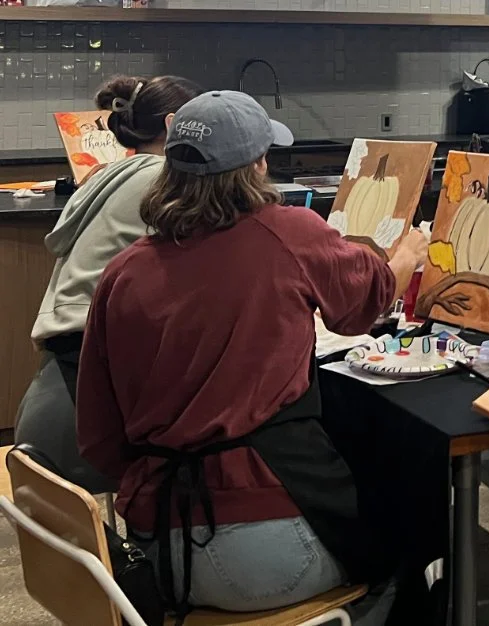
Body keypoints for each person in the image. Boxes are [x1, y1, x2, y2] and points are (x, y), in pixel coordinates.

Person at [76, 91, 428, 623]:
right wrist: (403, 258)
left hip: (153, 556)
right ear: (256, 166)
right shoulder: (286, 231)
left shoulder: (123, 272)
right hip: (266, 547)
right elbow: (362, 306)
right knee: (413, 547)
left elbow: (100, 442)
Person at [16, 75, 202, 494]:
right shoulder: (165, 179)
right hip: (89, 413)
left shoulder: (109, 174)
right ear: (174, 125)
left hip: (50, 395)